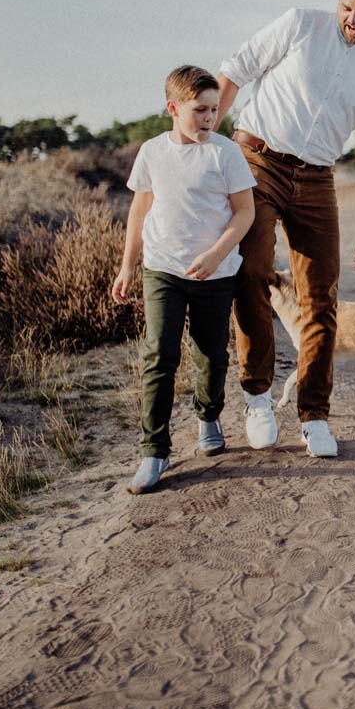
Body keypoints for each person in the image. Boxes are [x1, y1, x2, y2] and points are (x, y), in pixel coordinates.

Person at [215, 0, 355, 457]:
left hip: (317, 177)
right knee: (252, 272)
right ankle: (257, 397)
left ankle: (314, 415)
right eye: (346, 7)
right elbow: (235, 70)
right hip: (255, 160)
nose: (352, 18)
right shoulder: (300, 23)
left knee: (320, 295)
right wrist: (207, 147)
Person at [111, 65, 257, 494]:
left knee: (211, 355)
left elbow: (244, 211)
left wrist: (216, 255)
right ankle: (153, 451)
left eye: (214, 110)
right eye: (200, 111)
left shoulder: (225, 153)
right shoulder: (153, 152)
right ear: (173, 108)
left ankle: (208, 416)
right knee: (159, 356)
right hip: (163, 271)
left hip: (216, 272)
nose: (210, 119)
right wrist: (127, 265)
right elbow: (139, 211)